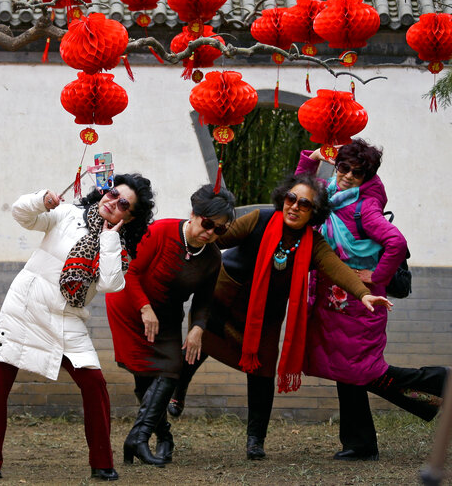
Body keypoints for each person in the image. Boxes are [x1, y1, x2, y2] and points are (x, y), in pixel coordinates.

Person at [166, 174, 392, 461]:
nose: (295, 207)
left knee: (261, 372)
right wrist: (187, 238)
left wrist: (363, 294)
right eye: (291, 199)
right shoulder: (258, 219)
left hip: (265, 316)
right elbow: (219, 235)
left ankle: (255, 441)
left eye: (304, 204)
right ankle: (179, 389)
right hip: (226, 298)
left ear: (314, 212)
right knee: (198, 347)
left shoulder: (315, 244)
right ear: (283, 199)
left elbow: (337, 268)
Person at [0, 174, 156, 481]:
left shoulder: (118, 248)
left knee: (94, 383)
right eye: (111, 194)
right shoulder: (68, 214)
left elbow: (110, 283)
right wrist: (41, 200)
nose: (112, 202)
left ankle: (102, 462)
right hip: (26, 307)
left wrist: (108, 237)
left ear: (130, 216)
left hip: (69, 319)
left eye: (123, 204)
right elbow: (21, 214)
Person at [297, 140, 448, 462]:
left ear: (368, 176)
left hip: (360, 304)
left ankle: (437, 380)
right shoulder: (328, 193)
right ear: (336, 166)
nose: (349, 176)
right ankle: (361, 444)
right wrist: (311, 159)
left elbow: (395, 241)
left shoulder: (364, 206)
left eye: (358, 172)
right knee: (347, 373)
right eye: (343, 168)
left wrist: (375, 278)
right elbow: (300, 192)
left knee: (361, 371)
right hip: (335, 301)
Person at [105, 185, 237, 466]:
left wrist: (198, 327)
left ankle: (141, 438)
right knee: (145, 376)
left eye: (220, 230)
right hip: (130, 306)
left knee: (170, 370)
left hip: (165, 316)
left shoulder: (213, 257)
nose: (211, 232)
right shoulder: (161, 231)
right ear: (195, 214)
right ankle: (158, 436)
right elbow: (132, 271)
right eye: (208, 223)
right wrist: (144, 308)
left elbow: (203, 299)